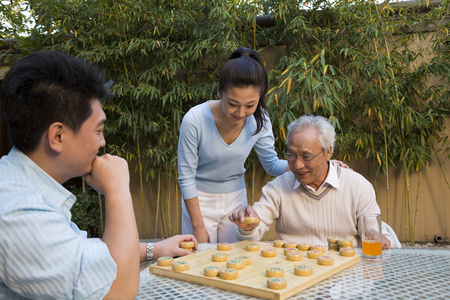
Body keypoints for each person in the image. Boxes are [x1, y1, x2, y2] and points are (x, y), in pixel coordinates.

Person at [0, 51, 197, 300]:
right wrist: (117, 190)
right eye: (98, 130)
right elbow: (118, 292)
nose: (102, 143)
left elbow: (79, 258)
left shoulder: (19, 185)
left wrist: (155, 249)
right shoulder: (20, 215)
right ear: (57, 136)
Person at [229, 115, 396, 248]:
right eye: (291, 155)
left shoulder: (358, 186)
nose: (297, 165)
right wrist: (247, 227)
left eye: (306, 156)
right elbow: (254, 231)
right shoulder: (278, 188)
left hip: (345, 279)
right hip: (296, 274)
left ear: (328, 151)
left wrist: (380, 238)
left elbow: (373, 233)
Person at [177, 48, 289, 244]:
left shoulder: (259, 119)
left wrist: (311, 164)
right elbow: (185, 176)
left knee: (237, 259)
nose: (241, 112)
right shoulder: (195, 119)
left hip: (235, 200)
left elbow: (272, 165)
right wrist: (198, 226)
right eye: (233, 104)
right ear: (220, 91)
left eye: (250, 105)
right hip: (198, 200)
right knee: (200, 262)